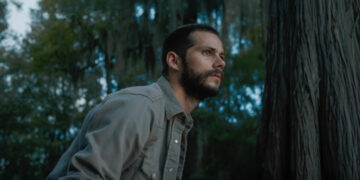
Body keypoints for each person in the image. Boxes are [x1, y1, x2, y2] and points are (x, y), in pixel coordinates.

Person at [47, 24, 226, 180]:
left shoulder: (179, 125)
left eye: (222, 56)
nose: (220, 63)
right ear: (174, 61)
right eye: (208, 52)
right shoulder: (139, 106)